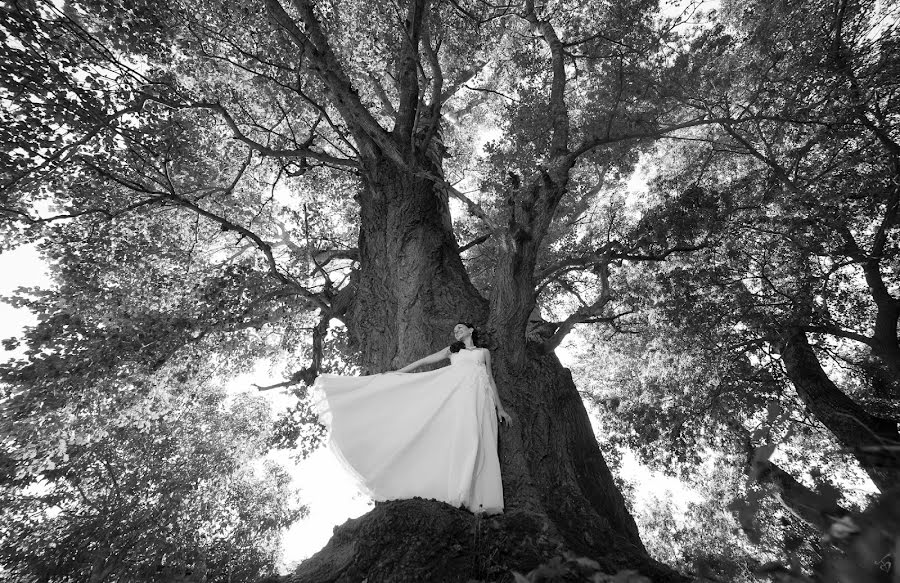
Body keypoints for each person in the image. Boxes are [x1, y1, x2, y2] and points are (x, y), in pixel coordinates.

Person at [312, 322, 511, 515]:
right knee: (461, 437)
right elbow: (425, 361)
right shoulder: (453, 351)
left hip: (479, 398)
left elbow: (490, 379)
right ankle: (458, 490)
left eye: (460, 328)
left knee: (479, 438)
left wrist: (500, 409)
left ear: (470, 330)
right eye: (454, 330)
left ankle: (479, 498)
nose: (456, 331)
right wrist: (399, 373)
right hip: (457, 397)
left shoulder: (483, 353)